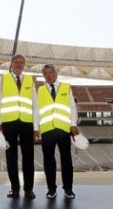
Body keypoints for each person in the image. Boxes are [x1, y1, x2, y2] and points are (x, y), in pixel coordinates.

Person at [0, 54, 38, 199]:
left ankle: (28, 189)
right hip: (9, 123)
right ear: (12, 64)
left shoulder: (29, 80)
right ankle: (14, 189)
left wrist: (36, 127)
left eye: (22, 62)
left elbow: (35, 105)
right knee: (11, 157)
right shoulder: (3, 78)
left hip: (26, 123)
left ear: (24, 65)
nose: (19, 64)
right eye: (16, 62)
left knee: (28, 158)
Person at [37, 64, 79, 200]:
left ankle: (68, 189)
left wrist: (73, 124)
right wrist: (36, 128)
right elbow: (37, 111)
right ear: (44, 76)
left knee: (66, 160)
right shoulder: (41, 90)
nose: (49, 75)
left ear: (56, 73)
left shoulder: (66, 87)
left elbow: (72, 107)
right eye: (46, 74)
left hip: (63, 129)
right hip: (47, 129)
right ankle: (51, 189)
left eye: (51, 72)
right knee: (49, 161)